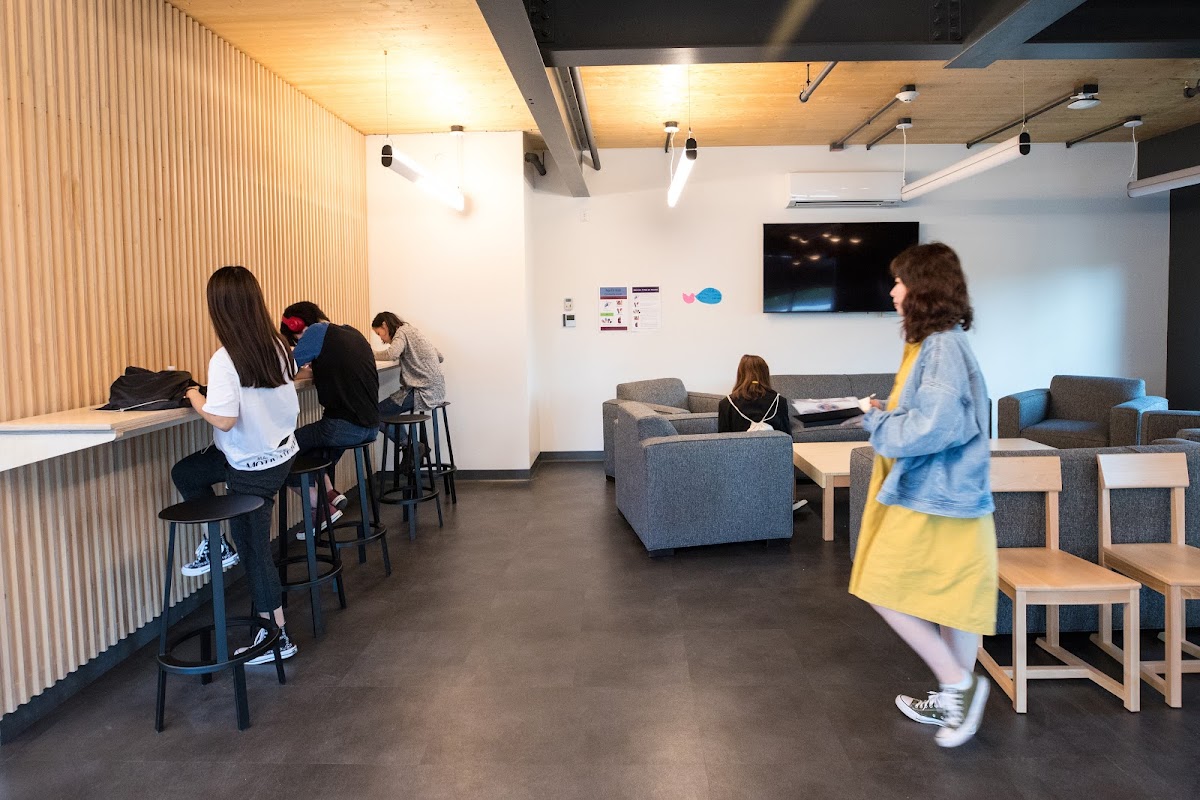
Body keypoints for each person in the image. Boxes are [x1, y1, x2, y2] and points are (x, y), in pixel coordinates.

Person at [848, 242, 997, 748]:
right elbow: (937, 413)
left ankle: (958, 684)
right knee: (957, 603)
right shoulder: (940, 342)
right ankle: (953, 697)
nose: (892, 292)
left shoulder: (941, 347)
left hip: (935, 495)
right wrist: (886, 407)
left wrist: (877, 421)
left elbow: (936, 425)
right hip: (954, 495)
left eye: (900, 282)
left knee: (880, 586)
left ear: (922, 289)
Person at [171, 266, 300, 664]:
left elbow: (224, 419)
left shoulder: (226, 359)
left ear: (219, 310)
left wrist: (194, 395)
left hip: (250, 466)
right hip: (279, 454)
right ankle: (216, 544)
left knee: (255, 551)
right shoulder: (277, 345)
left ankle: (277, 636)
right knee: (188, 472)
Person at [280, 302, 380, 532]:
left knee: (281, 451)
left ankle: (320, 506)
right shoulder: (351, 332)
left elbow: (283, 367)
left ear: (297, 326)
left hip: (343, 427)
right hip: (370, 426)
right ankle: (330, 493)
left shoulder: (315, 332)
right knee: (313, 451)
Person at [371, 311, 445, 458]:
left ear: (385, 325)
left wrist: (370, 353)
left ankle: (411, 446)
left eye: (380, 334)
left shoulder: (401, 332)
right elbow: (440, 357)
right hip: (437, 390)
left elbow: (392, 354)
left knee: (373, 415)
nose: (382, 340)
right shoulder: (414, 332)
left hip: (421, 391)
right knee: (388, 411)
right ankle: (411, 449)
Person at [717, 354, 792, 435]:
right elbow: (787, 437)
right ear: (765, 374)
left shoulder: (726, 404)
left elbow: (723, 440)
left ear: (740, 374)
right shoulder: (779, 401)